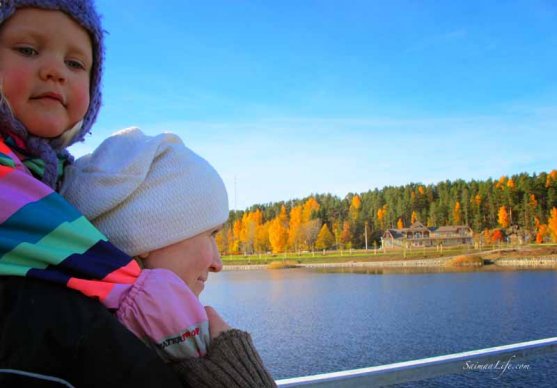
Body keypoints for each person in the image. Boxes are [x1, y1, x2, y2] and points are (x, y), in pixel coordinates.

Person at [0, 1, 274, 386]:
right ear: (144, 234)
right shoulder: (72, 328)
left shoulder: (50, 183)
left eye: (76, 64)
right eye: (27, 50)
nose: (55, 71)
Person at [62, 127, 276, 386]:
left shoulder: (88, 330)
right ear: (143, 236)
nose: (218, 264)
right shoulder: (97, 357)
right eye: (210, 234)